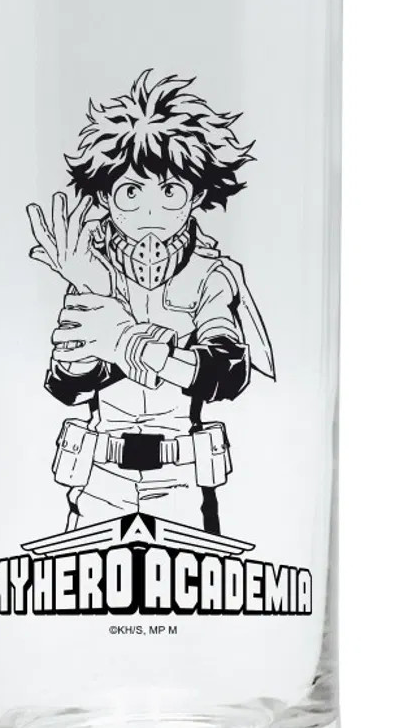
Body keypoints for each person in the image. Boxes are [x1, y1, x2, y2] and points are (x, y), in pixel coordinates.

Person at [27, 70, 274, 535]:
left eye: (170, 191)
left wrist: (128, 343)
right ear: (105, 197)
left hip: (181, 478)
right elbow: (67, 387)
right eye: (130, 192)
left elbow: (225, 374)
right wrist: (93, 298)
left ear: (197, 194)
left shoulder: (210, 274)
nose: (150, 211)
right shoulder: (91, 269)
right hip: (98, 475)